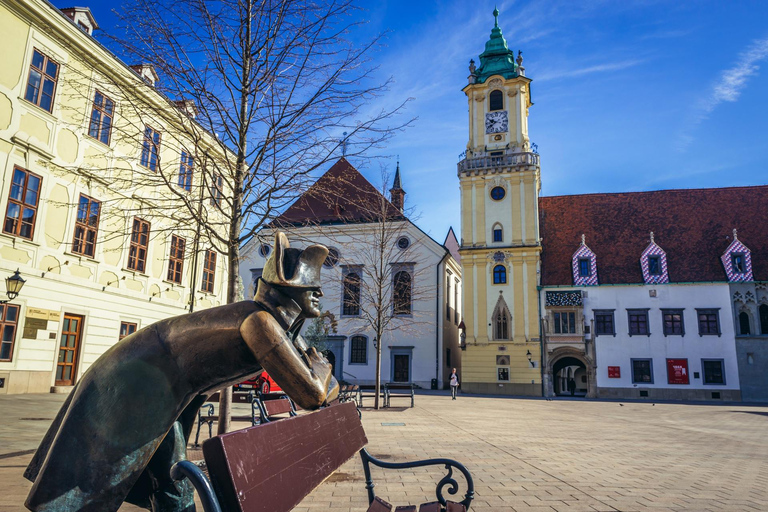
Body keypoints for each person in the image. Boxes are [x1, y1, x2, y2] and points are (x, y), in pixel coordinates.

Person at [24, 232, 339, 512]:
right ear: (287, 289)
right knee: (97, 479)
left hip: (169, 388)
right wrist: (320, 368)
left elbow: (322, 391)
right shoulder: (260, 323)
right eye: (311, 286)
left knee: (171, 481)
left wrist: (319, 374)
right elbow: (313, 395)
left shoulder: (275, 325)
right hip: (140, 380)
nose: (319, 293)